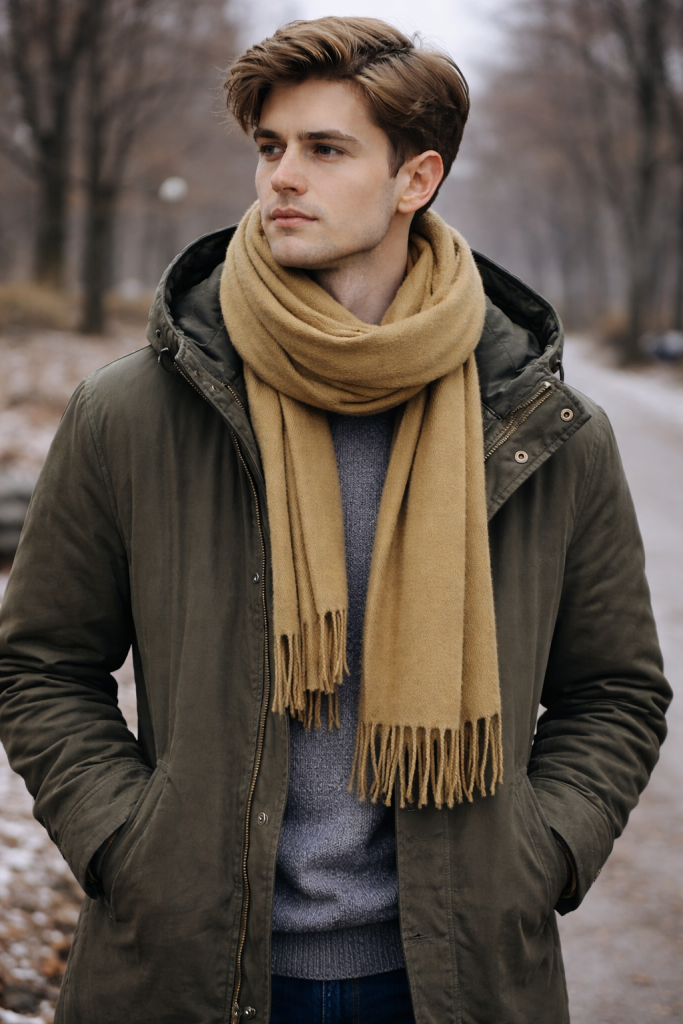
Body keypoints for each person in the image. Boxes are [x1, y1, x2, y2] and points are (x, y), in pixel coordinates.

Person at [0, 17, 671, 1024]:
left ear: (416, 179)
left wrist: (536, 860)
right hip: (189, 972)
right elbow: (42, 661)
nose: (280, 177)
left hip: (448, 980)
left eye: (324, 149)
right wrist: (132, 849)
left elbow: (614, 691)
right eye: (270, 147)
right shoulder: (134, 410)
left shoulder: (541, 430)